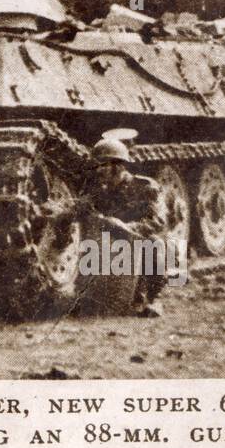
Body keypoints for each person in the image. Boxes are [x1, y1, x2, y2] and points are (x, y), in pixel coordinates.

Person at [86, 133, 171, 318]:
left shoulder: (145, 187)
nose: (98, 171)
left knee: (154, 243)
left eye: (103, 166)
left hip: (139, 239)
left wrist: (126, 227)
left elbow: (158, 221)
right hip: (114, 245)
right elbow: (81, 207)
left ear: (117, 166)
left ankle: (154, 299)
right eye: (97, 166)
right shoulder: (100, 191)